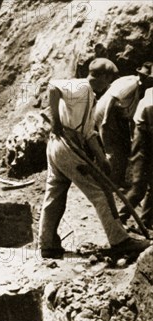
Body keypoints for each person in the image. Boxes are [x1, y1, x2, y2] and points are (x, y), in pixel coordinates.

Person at [38, 58, 151, 259]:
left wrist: (102, 158)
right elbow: (53, 87)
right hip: (65, 144)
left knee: (54, 194)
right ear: (103, 76)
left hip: (60, 147)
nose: (109, 85)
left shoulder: (90, 96)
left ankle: (47, 245)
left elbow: (89, 133)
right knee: (99, 193)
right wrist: (56, 122)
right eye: (109, 79)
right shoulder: (81, 86)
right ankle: (120, 241)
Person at [95, 62, 153, 186]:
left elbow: (131, 116)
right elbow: (113, 98)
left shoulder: (139, 90)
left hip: (117, 115)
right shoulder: (132, 83)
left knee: (125, 146)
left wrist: (133, 136)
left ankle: (117, 180)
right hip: (107, 112)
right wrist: (105, 120)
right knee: (113, 148)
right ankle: (107, 181)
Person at [119, 87, 153, 227]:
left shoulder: (150, 91)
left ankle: (144, 222)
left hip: (147, 142)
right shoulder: (151, 103)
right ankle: (120, 218)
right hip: (144, 144)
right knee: (139, 187)